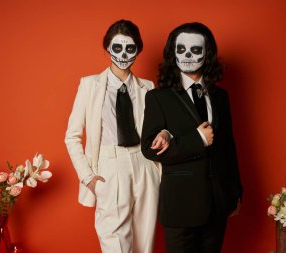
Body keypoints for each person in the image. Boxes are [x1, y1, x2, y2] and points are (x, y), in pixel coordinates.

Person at [141, 22, 242, 253]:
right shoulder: (158, 97)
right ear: (172, 54)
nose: (188, 56)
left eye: (196, 50)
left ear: (207, 54)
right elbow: (150, 149)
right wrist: (198, 139)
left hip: (218, 203)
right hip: (180, 206)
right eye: (181, 49)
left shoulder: (220, 96)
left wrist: (235, 192)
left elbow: (229, 146)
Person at [65, 19, 162, 253]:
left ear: (138, 50)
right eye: (117, 47)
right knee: (114, 242)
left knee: (145, 241)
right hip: (110, 166)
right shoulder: (89, 86)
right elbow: (72, 136)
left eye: (130, 48)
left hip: (145, 165)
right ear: (107, 47)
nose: (123, 54)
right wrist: (87, 176)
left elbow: (158, 127)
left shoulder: (148, 87)